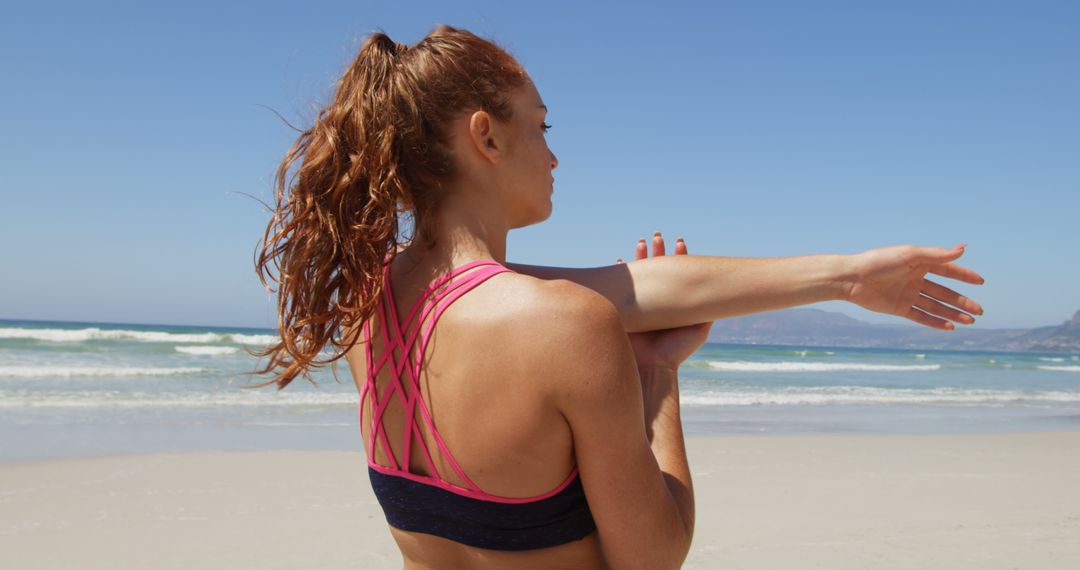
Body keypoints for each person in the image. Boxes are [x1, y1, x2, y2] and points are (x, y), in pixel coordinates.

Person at [251, 25, 984, 570]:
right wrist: (656, 380)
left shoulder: (362, 307)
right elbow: (654, 556)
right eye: (539, 125)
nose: (555, 152)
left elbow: (647, 288)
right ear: (486, 137)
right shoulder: (567, 324)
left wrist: (849, 276)